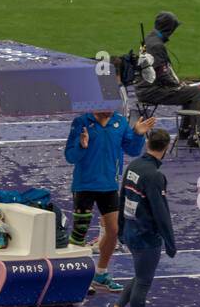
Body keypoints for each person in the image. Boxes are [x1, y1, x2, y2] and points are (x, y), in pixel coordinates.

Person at [65, 109, 155, 292]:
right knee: (79, 233)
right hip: (84, 185)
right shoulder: (81, 122)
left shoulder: (120, 122)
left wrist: (138, 134)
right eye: (105, 107)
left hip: (109, 186)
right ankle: (75, 277)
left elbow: (133, 150)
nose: (109, 111)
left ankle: (100, 274)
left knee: (114, 230)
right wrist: (82, 146)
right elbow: (70, 156)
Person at [105, 126, 175, 307]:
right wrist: (170, 242)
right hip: (146, 237)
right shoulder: (154, 176)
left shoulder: (134, 166)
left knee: (139, 276)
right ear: (167, 148)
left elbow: (122, 197)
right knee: (143, 282)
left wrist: (122, 230)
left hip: (131, 232)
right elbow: (160, 212)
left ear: (147, 144)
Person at [134, 12, 200, 148]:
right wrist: (178, 84)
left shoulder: (148, 39)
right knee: (196, 92)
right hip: (152, 91)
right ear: (169, 29)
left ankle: (185, 131)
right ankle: (196, 136)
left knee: (188, 91)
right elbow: (162, 73)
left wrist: (179, 84)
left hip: (144, 88)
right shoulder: (157, 45)